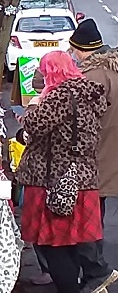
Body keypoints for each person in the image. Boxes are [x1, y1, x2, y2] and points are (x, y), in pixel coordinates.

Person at [16, 51, 108, 293]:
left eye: (44, 72)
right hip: (81, 178)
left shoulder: (60, 97)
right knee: (68, 242)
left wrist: (34, 105)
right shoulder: (88, 93)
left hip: (53, 180)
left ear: (51, 72)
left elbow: (35, 124)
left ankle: (76, 286)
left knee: (52, 244)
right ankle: (93, 277)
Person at [69, 19, 118, 292]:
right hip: (111, 151)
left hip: (94, 155)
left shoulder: (91, 77)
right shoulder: (113, 69)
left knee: (87, 217)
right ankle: (95, 271)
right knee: (95, 211)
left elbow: (80, 120)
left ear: (81, 49)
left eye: (74, 49)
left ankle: (97, 273)